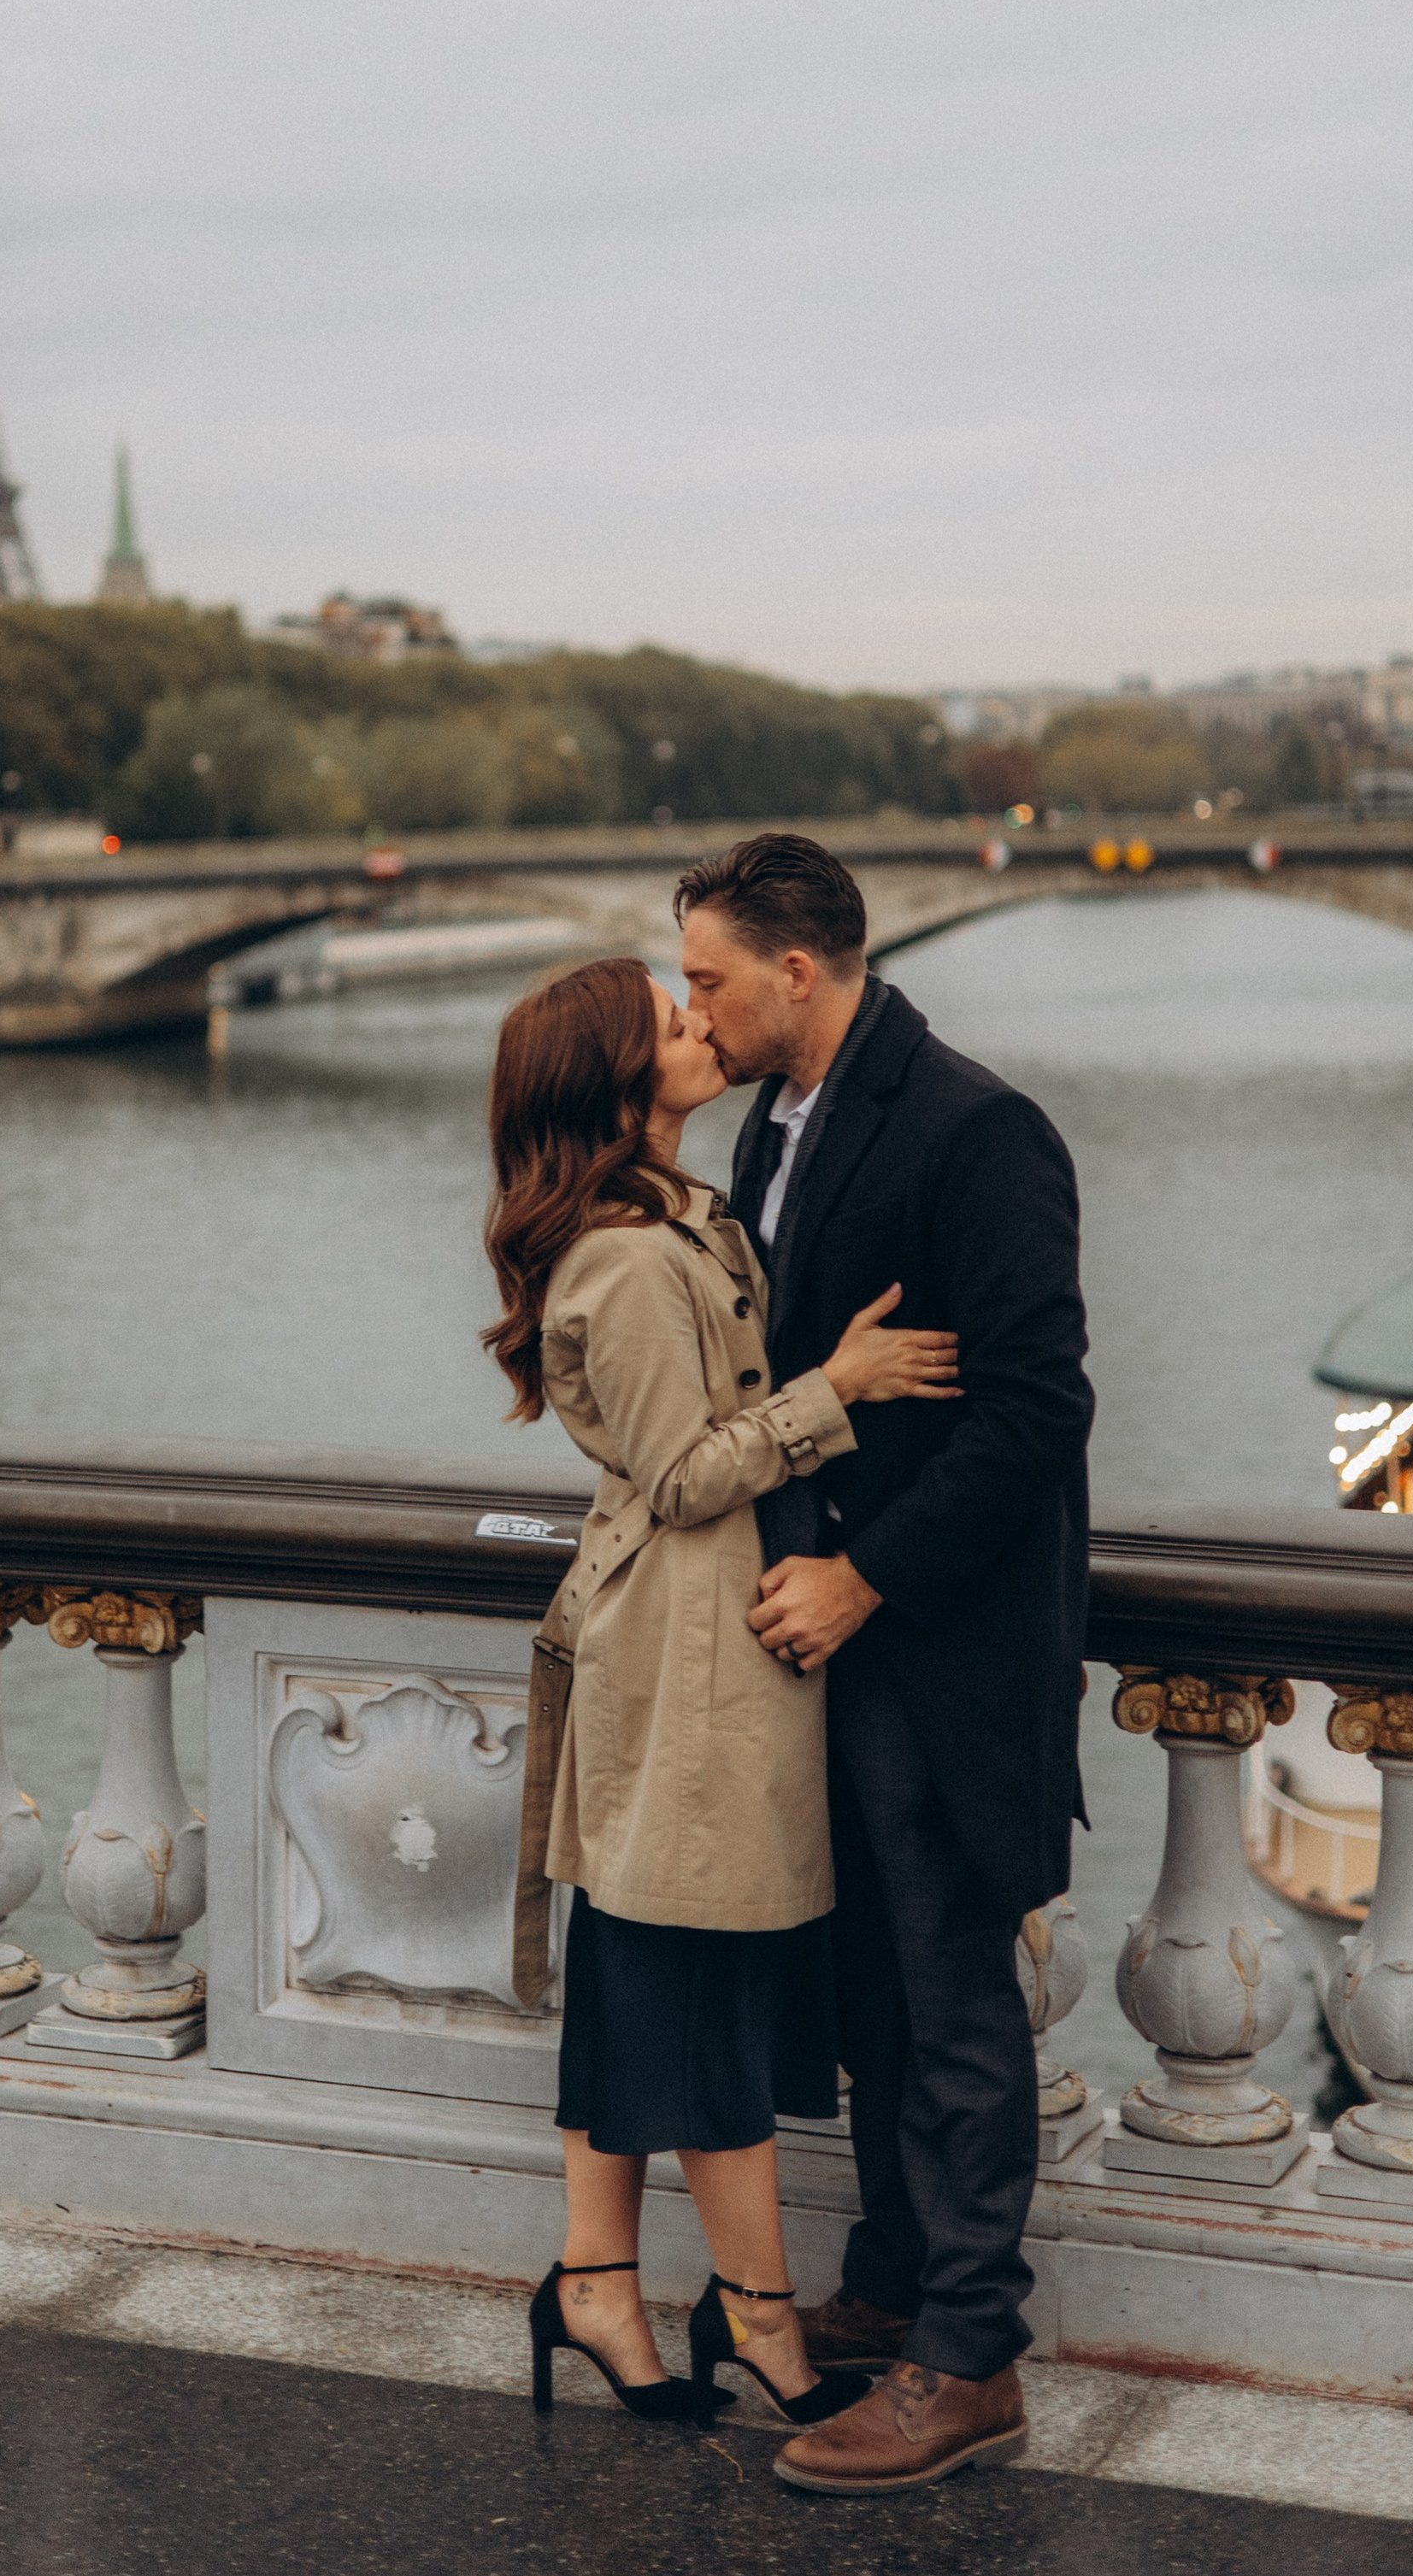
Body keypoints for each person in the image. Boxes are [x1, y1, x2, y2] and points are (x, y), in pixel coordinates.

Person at [483, 954, 958, 2429]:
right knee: (704, 1979)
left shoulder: (672, 1212)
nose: (698, 1026)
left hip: (706, 1645)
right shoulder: (625, 1260)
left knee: (655, 1974)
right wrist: (843, 1385)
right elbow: (690, 1470)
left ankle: (598, 2281)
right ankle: (751, 2312)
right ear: (617, 1081)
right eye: (667, 1019)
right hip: (686, 1653)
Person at [675, 832, 1093, 2500]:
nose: (685, 1006)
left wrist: (861, 1576)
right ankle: (899, 2277)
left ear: (799, 967)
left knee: (953, 2001)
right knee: (869, 1996)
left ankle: (968, 2357)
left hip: (934, 1645)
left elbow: (1034, 1413)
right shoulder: (770, 1122)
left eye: (706, 974)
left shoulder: (978, 1129)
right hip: (820, 1645)